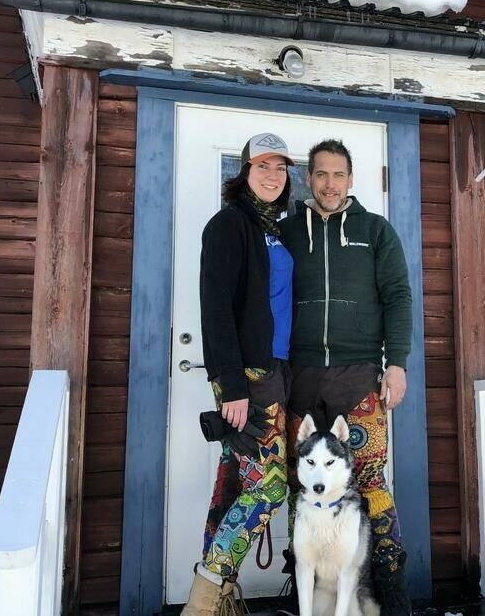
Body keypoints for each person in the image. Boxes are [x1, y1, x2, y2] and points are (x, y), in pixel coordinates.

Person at [278, 139, 414, 616]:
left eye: (339, 174)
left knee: (371, 482)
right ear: (309, 179)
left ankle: (390, 596)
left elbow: (398, 296)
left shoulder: (376, 232)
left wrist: (395, 363)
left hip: (358, 376)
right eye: (321, 174)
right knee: (304, 483)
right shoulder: (287, 231)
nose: (330, 184)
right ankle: (305, 596)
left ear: (351, 179)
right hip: (301, 376)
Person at [182, 132, 296, 616]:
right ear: (244, 172)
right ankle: (206, 600)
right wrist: (231, 386)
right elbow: (216, 311)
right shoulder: (228, 225)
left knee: (234, 483)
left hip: (276, 369)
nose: (272, 175)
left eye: (281, 167)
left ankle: (218, 598)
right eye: (262, 166)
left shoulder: (276, 229)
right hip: (247, 376)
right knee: (269, 486)